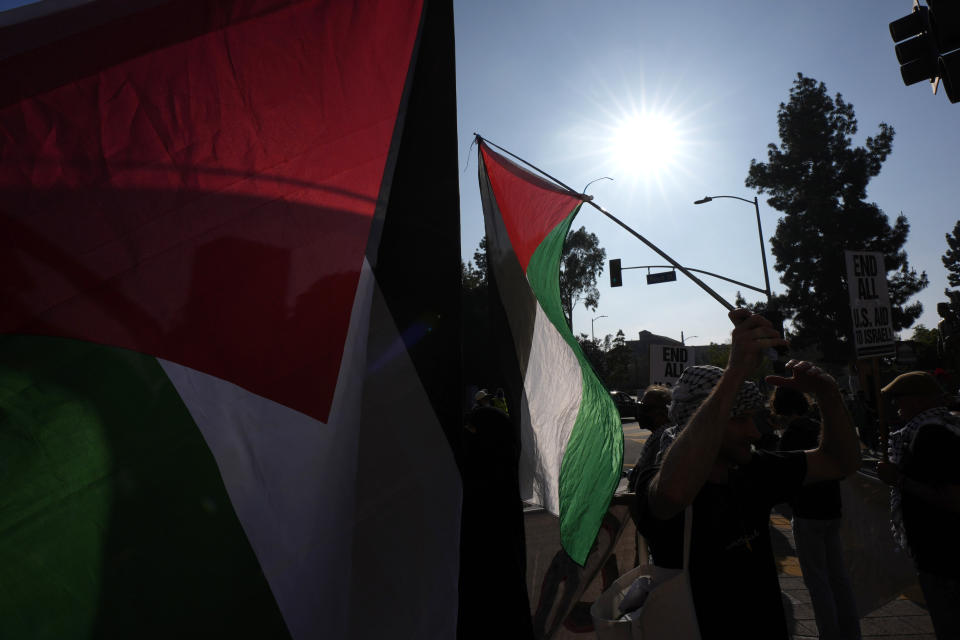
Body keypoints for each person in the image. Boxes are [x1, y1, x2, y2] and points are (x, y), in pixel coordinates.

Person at [631, 309, 861, 639]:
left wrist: (827, 396)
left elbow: (841, 462)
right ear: (702, 420)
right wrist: (736, 369)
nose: (754, 433)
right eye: (740, 419)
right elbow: (673, 495)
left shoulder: (752, 469)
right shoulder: (655, 478)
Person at [876, 371, 960, 640]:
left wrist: (897, 479)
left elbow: (952, 498)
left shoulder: (930, 435)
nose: (896, 406)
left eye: (899, 398)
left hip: (942, 555)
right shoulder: (944, 426)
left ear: (917, 400)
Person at [774, 386, 861, 640]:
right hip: (832, 507)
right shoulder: (819, 427)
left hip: (807, 511)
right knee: (839, 577)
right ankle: (851, 631)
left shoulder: (791, 435)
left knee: (817, 580)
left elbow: (786, 476)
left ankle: (829, 633)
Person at [626, 384, 673, 492]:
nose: (640, 412)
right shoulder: (657, 436)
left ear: (661, 412)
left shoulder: (662, 442)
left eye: (644, 408)